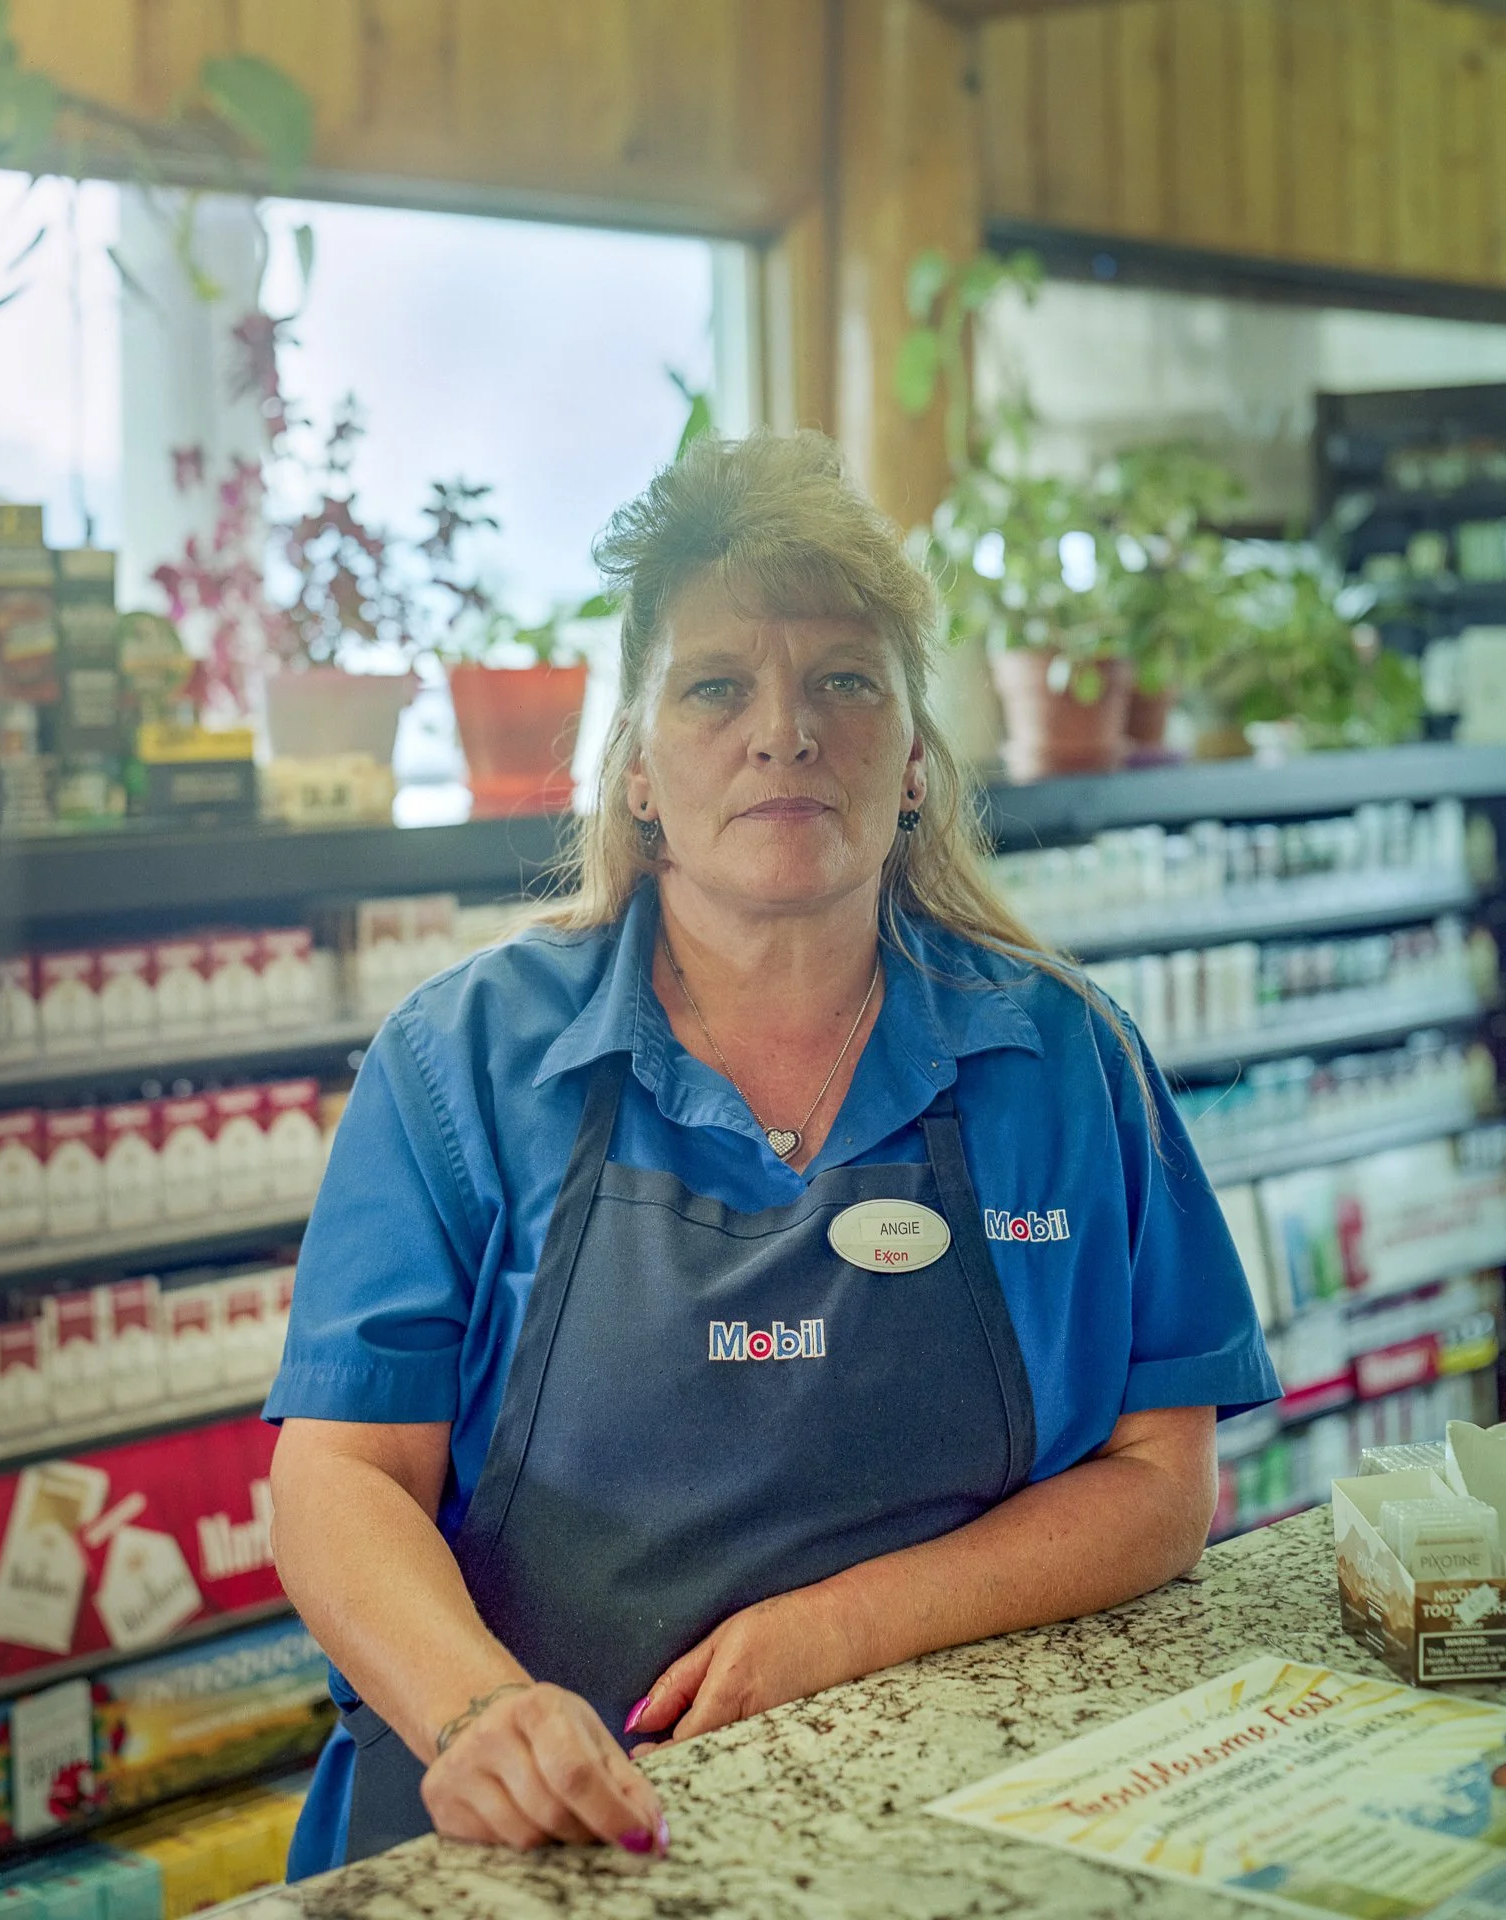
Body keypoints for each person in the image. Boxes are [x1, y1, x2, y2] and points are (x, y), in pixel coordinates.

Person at [266, 430, 1280, 1875]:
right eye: (718, 686)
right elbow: (341, 1478)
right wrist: (478, 1710)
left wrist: (840, 1631)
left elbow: (1162, 1479)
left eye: (845, 683)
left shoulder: (1062, 1061)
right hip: (519, 1843)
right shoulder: (463, 1065)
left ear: (916, 764)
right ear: (632, 770)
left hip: (938, 1816)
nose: (785, 731)